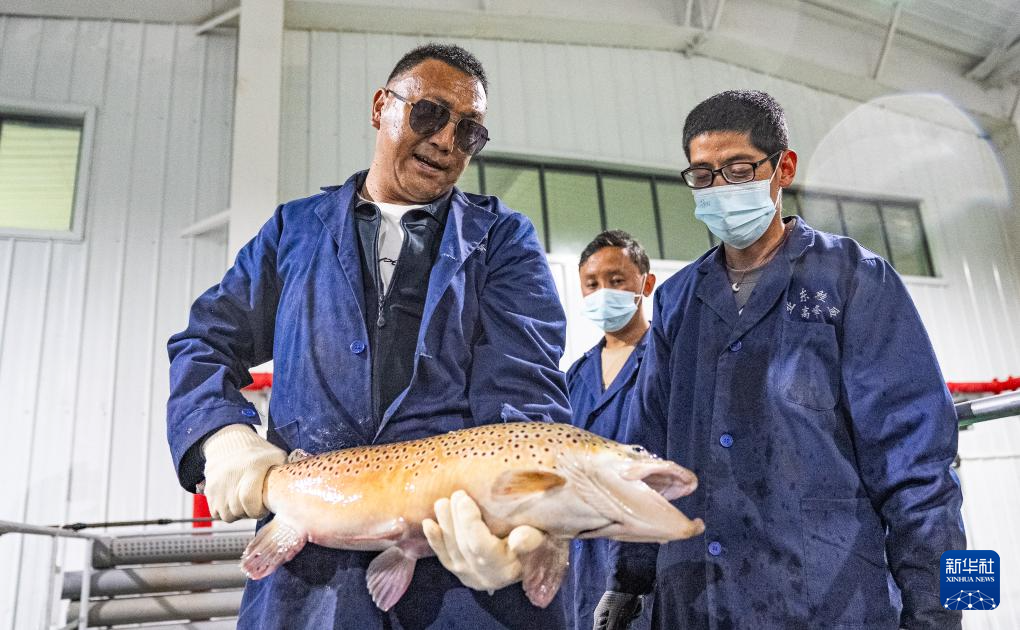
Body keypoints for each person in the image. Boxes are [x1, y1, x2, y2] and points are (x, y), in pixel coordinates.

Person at [167, 43, 570, 629]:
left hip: (460, 568)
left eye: (469, 132)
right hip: (309, 575)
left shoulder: (502, 241)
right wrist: (222, 435)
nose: (446, 141)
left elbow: (523, 385)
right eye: (429, 114)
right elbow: (205, 342)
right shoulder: (293, 232)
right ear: (381, 107)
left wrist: (521, 519)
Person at [597, 90, 966, 629]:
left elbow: (922, 471)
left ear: (783, 168)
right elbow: (646, 456)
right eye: (703, 175)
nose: (720, 188)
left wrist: (945, 614)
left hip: (830, 602)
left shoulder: (854, 279)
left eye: (738, 169)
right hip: (696, 602)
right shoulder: (677, 301)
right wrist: (627, 579)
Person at [560, 230, 656, 630]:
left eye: (617, 281)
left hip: (648, 556)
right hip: (582, 560)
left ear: (646, 284)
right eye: (592, 284)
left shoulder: (667, 362)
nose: (604, 293)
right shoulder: (573, 377)